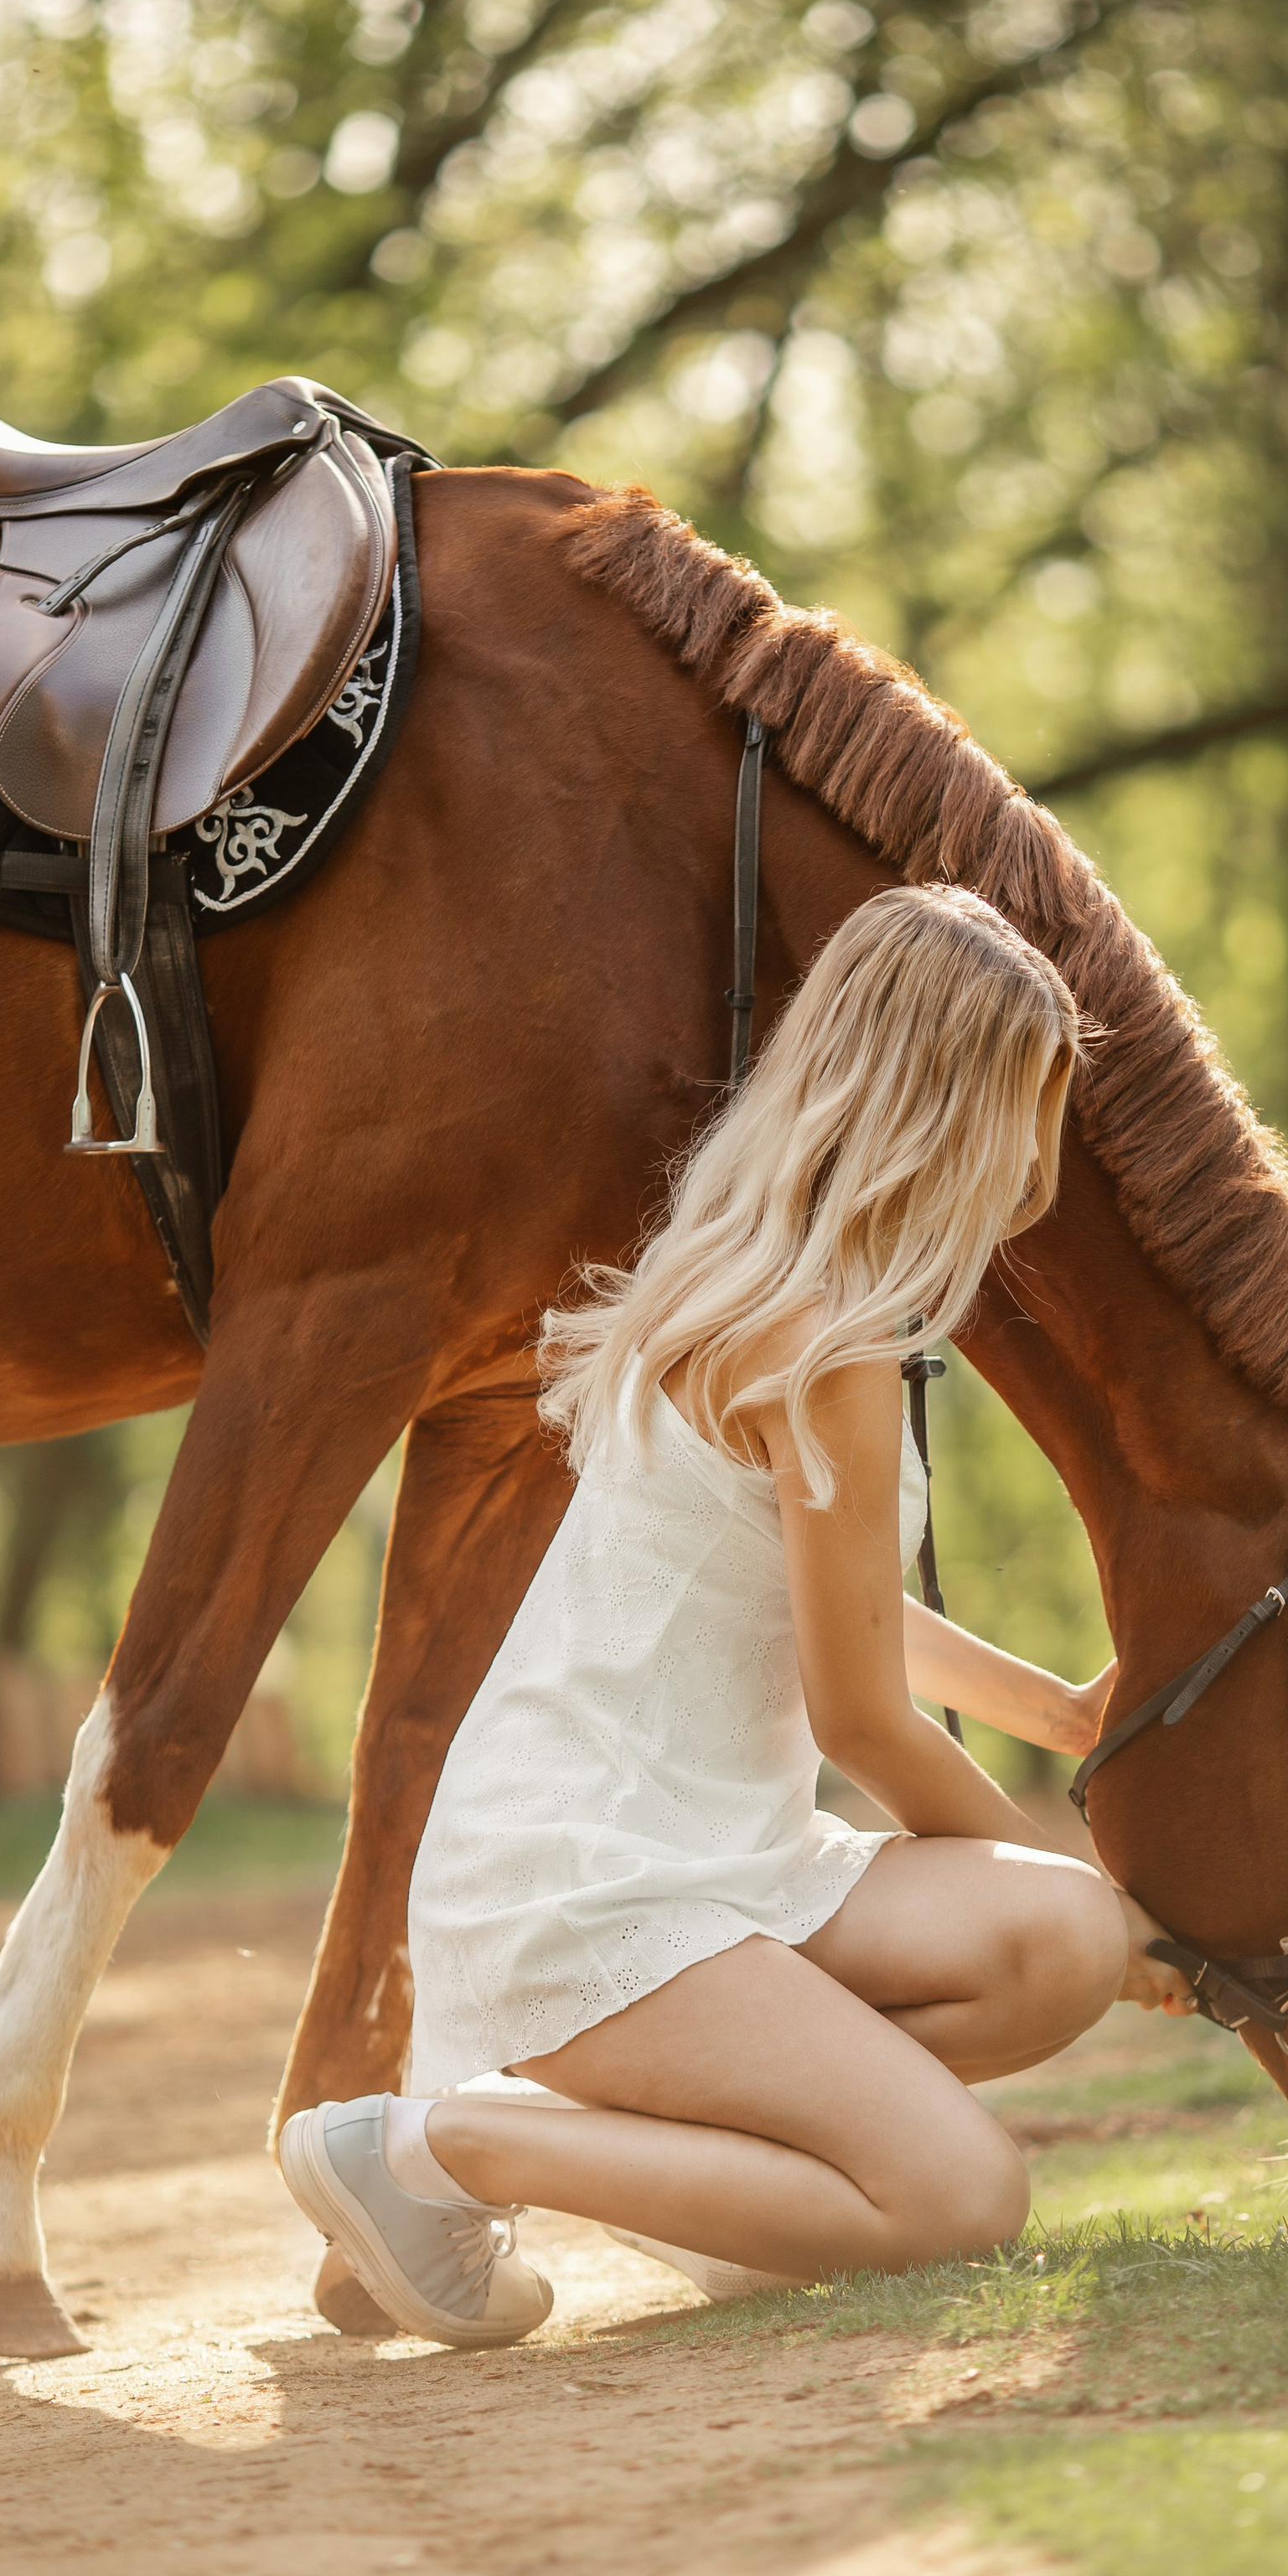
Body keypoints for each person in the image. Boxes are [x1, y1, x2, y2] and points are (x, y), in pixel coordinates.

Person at [280, 883, 1138, 2348]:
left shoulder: (756, 1293)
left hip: (707, 1859)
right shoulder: (829, 1354)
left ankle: (737, 2183)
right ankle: (437, 2149)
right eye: (1024, 1119)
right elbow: (859, 1711)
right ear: (944, 1112)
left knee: (1064, 1941)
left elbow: (821, 1611)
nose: (1030, 1175)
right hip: (591, 1880)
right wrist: (1033, 1833)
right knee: (965, 2200)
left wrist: (1054, 1717)